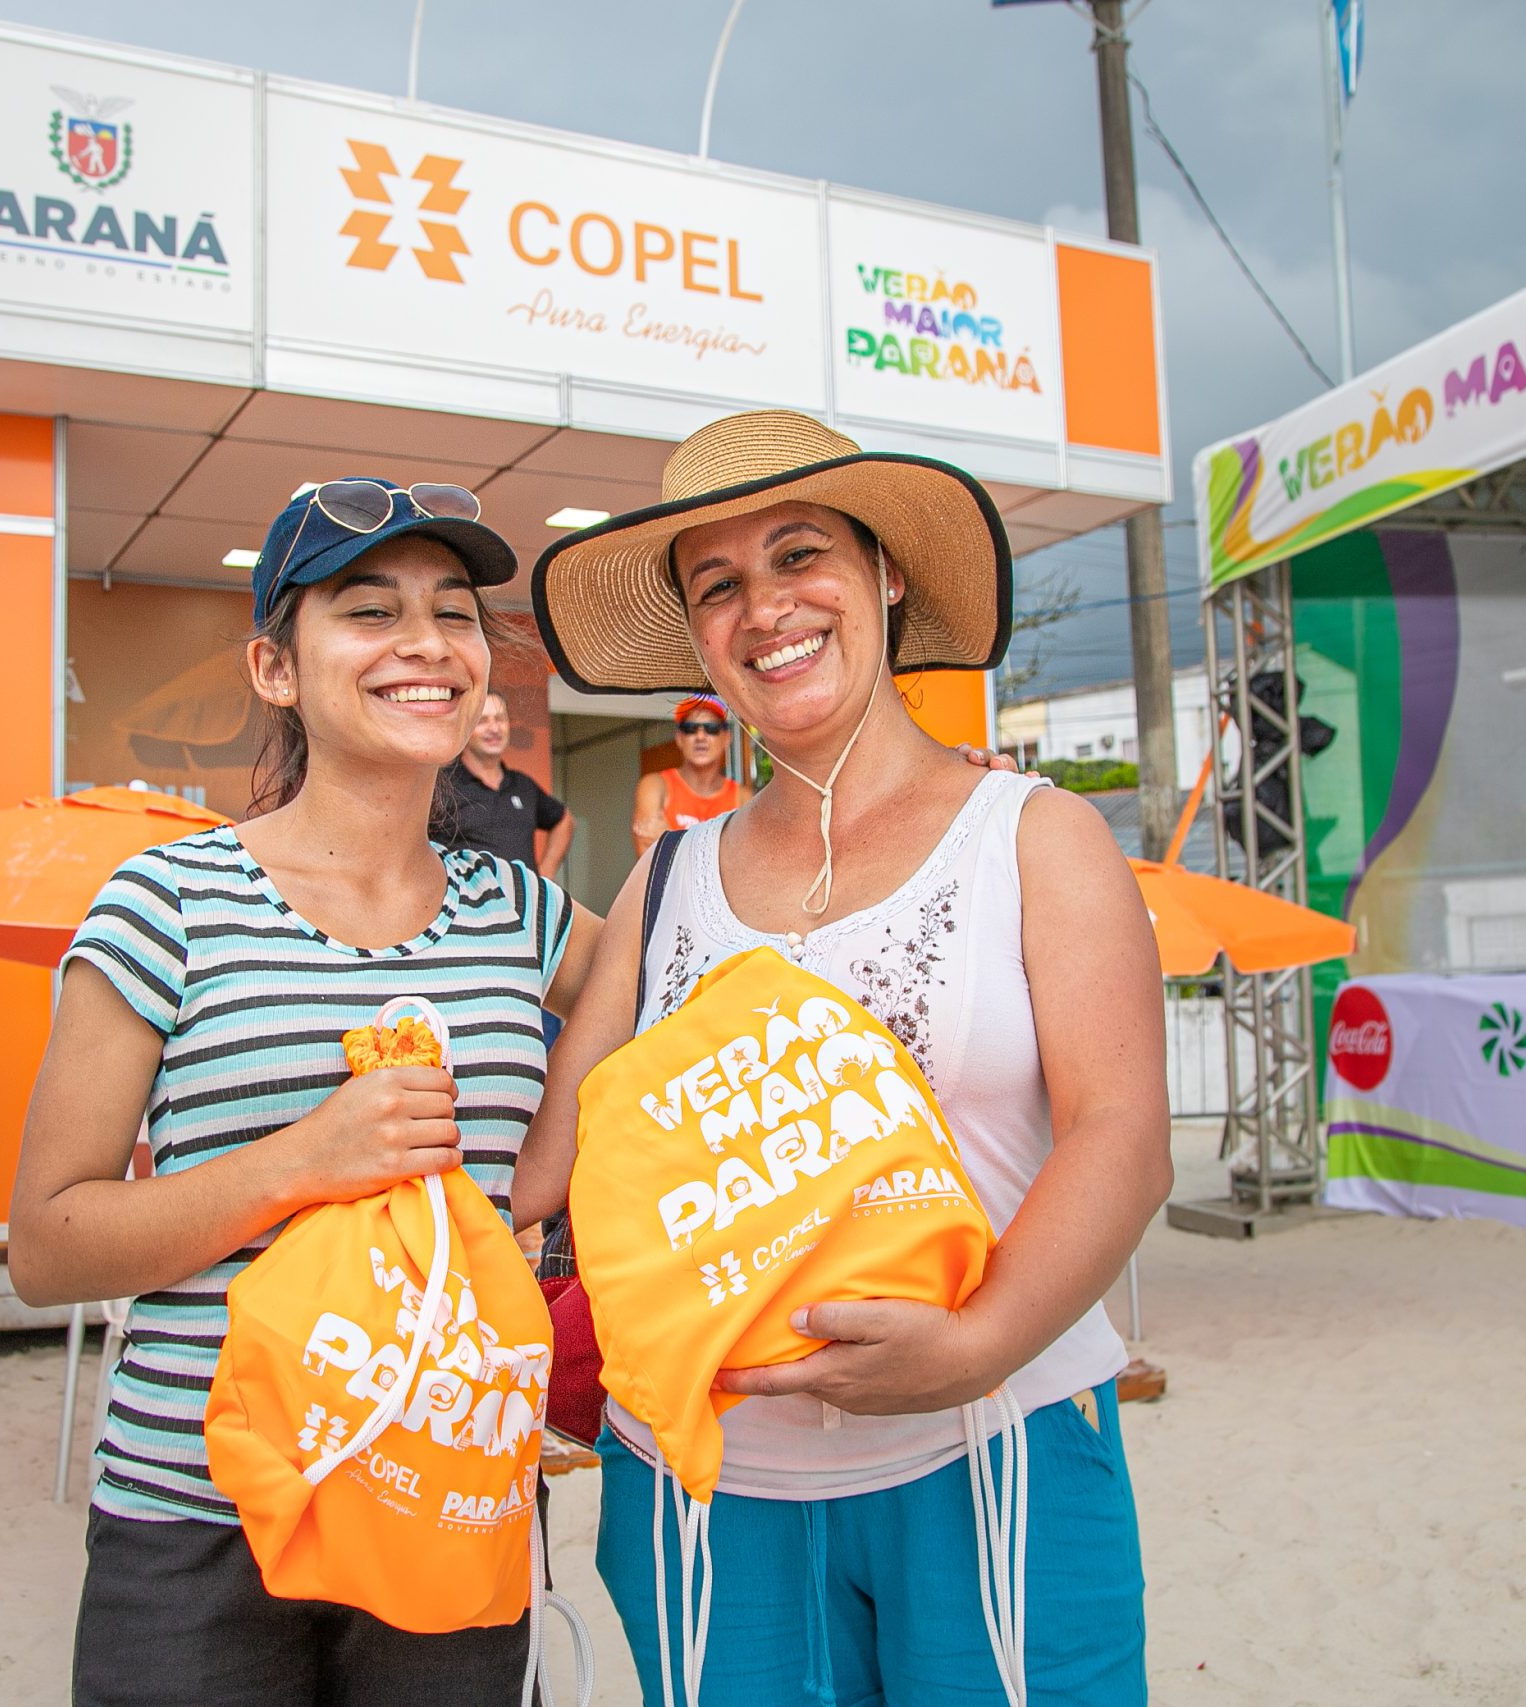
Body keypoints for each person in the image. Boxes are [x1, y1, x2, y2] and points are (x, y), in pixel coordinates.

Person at [517, 411, 1172, 1707]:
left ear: (885, 573)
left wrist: (976, 1341)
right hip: (705, 1491)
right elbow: (551, 1163)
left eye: (801, 554)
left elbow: (1124, 1136)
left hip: (1001, 1442)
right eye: (719, 585)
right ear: (701, 641)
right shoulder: (665, 878)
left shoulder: (1033, 838)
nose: (766, 607)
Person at [8, 476, 601, 1707]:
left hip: (451, 1487)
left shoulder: (522, 915)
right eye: (369, 612)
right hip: (199, 1522)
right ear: (276, 668)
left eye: (454, 613)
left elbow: (664, 976)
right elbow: (47, 1245)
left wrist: (543, 1169)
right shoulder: (165, 903)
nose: (427, 644)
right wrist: (298, 1163)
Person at [430, 689, 570, 878]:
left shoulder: (523, 785)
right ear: (465, 727)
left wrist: (545, 875)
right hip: (465, 905)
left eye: (500, 719)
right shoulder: (440, 785)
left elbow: (564, 820)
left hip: (523, 906)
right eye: (483, 720)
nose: (494, 728)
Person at [631, 694, 746, 854]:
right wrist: (719, 853)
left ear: (726, 738)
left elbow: (746, 862)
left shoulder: (742, 797)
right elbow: (651, 860)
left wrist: (670, 840)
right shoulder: (655, 785)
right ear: (679, 738)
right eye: (690, 728)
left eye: (711, 728)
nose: (700, 736)